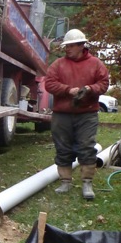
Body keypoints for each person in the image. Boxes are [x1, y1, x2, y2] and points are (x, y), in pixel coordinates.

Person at [44, 29, 109, 200]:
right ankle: (65, 182)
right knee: (62, 148)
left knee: (87, 147)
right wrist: (67, 90)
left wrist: (89, 89)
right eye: (66, 46)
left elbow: (103, 83)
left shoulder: (96, 64)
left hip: (87, 114)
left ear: (81, 46)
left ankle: (87, 183)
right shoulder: (58, 64)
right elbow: (49, 84)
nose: (67, 49)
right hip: (62, 114)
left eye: (71, 46)